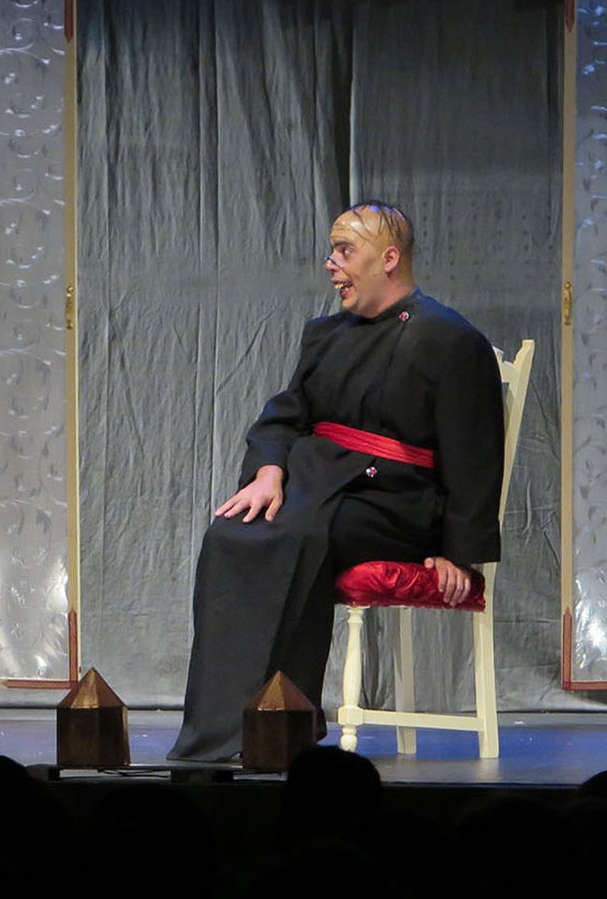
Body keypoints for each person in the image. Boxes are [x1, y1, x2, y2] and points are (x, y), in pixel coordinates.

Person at [168, 200, 503, 762]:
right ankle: (223, 733)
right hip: (316, 484)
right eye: (332, 251)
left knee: (297, 537)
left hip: (396, 501)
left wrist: (458, 552)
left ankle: (281, 731)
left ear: (388, 259)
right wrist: (269, 471)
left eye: (345, 251)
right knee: (231, 534)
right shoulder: (326, 335)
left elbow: (475, 454)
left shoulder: (448, 338)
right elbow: (284, 416)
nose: (331, 264)